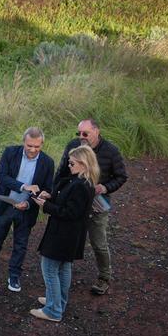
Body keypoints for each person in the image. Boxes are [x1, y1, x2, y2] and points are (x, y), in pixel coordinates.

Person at [0, 127, 55, 292]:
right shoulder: (10, 152)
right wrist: (24, 186)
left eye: (37, 146)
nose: (33, 150)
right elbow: (2, 176)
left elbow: (47, 189)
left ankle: (14, 276)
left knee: (20, 244)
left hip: (27, 208)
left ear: (42, 144)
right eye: (29, 146)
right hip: (5, 204)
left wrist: (28, 204)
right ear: (23, 142)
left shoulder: (48, 162)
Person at [55, 118, 128, 295]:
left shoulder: (111, 151)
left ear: (96, 131)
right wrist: (54, 192)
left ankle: (104, 277)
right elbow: (62, 171)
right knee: (67, 237)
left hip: (98, 202)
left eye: (85, 133)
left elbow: (121, 176)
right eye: (79, 133)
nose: (82, 137)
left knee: (98, 242)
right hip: (73, 199)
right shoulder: (74, 145)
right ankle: (61, 277)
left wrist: (105, 187)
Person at [30, 145, 99, 322]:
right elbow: (67, 202)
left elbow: (69, 213)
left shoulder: (80, 186)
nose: (69, 165)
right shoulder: (82, 182)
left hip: (64, 234)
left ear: (84, 164)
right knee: (63, 268)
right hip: (70, 235)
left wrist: (45, 206)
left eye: (72, 163)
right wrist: (51, 197)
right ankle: (58, 300)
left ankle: (53, 310)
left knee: (50, 268)